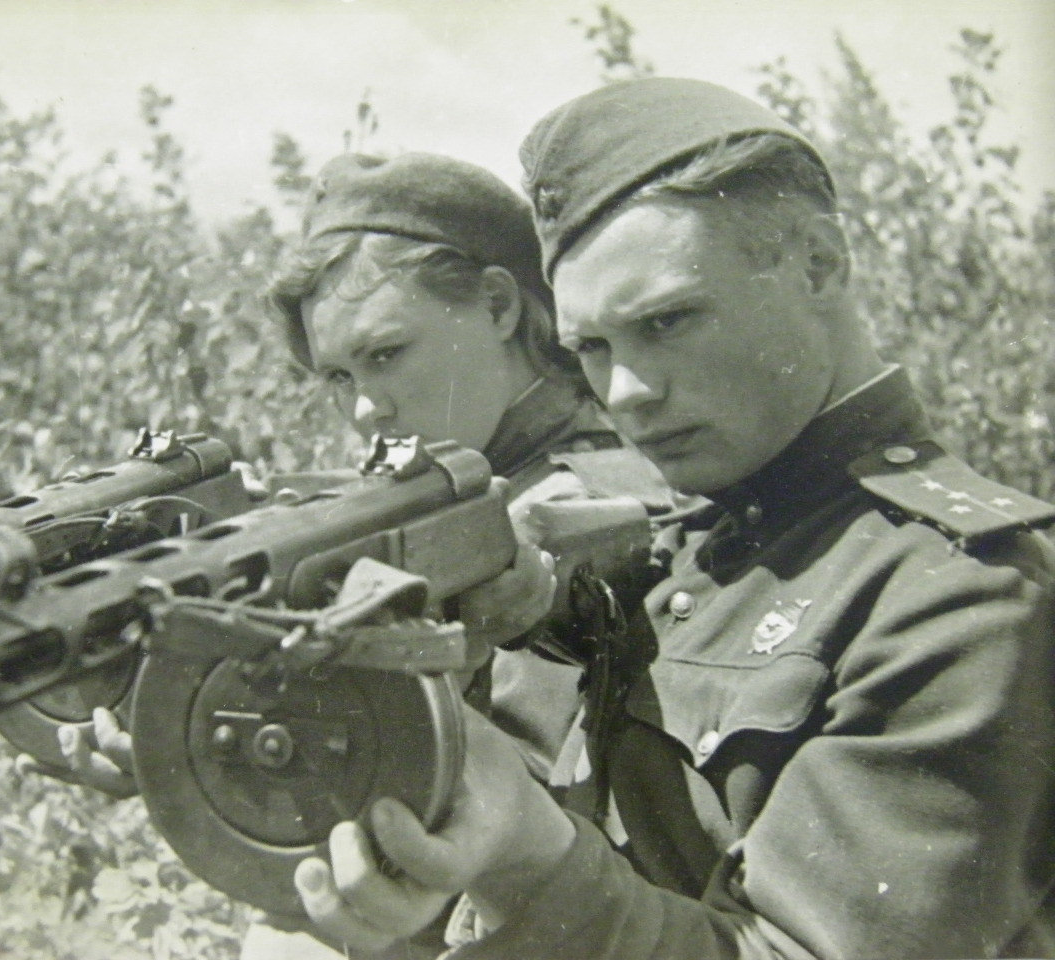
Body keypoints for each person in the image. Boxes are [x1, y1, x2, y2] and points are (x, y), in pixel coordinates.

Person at [293, 78, 1055, 959]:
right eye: (592, 347)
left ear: (818, 263)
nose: (625, 392)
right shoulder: (680, 541)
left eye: (667, 321)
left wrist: (525, 861)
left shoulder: (964, 598)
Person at [26, 151, 673, 957]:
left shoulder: (600, 486)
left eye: (386, 353)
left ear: (499, 305)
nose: (366, 408)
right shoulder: (435, 494)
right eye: (337, 375)